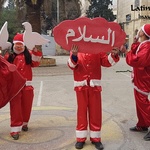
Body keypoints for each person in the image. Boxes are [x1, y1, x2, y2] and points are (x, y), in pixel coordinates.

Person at [67, 45, 120, 149]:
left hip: (94, 85)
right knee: (81, 112)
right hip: (81, 85)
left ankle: (96, 138)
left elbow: (106, 62)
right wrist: (74, 55)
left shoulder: (97, 49)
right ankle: (80, 138)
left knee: (95, 111)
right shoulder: (76, 48)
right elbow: (71, 65)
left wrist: (113, 54)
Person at [4, 33, 42, 140]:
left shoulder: (29, 55)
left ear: (24, 46)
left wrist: (35, 50)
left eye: (21, 45)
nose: (18, 47)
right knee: (15, 108)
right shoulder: (9, 56)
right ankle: (15, 129)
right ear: (13, 45)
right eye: (17, 45)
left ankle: (24, 123)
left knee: (27, 106)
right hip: (15, 88)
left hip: (27, 86)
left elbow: (36, 62)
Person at [120, 24, 150, 141]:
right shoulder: (143, 44)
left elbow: (137, 60)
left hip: (144, 79)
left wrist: (126, 52)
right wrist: (135, 41)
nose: (139, 31)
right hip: (140, 78)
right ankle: (142, 124)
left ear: (144, 33)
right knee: (140, 103)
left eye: (141, 30)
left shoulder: (147, 47)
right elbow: (134, 51)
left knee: (143, 103)